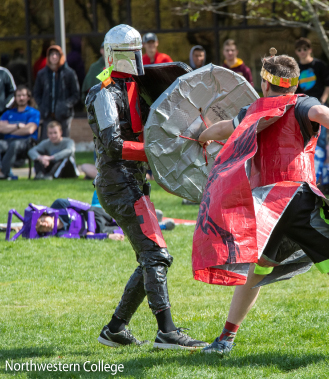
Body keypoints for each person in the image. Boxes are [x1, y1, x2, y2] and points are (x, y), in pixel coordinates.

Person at [196, 51, 329, 361]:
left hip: (267, 211)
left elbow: (219, 131)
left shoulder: (251, 112)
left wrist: (201, 136)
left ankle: (225, 340)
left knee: (254, 275)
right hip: (299, 202)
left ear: (264, 83)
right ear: (294, 85)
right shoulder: (302, 104)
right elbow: (323, 113)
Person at [86, 24, 206, 350]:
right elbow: (112, 144)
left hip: (134, 181)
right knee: (157, 254)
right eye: (133, 53)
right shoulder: (103, 91)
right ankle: (167, 332)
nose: (139, 58)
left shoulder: (135, 85)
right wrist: (155, 156)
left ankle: (114, 329)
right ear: (117, 56)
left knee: (151, 256)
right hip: (117, 182)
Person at [33, 45, 80, 140]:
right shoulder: (42, 74)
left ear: (60, 56)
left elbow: (76, 94)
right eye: (51, 54)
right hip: (47, 114)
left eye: (56, 54)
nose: (54, 57)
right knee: (46, 141)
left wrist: (65, 105)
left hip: (64, 115)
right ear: (48, 57)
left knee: (64, 141)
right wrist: (42, 106)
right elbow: (36, 93)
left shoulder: (69, 73)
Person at [35, 198, 124, 240]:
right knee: (126, 231)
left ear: (45, 214)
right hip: (99, 230)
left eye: (42, 220)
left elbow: (87, 208)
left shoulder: (59, 205)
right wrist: (108, 236)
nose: (45, 225)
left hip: (97, 214)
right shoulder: (61, 234)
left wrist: (90, 230)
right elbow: (84, 237)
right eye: (41, 228)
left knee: (124, 216)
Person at [0, 85, 40, 179]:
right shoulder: (8, 113)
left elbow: (29, 130)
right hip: (8, 142)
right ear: (15, 98)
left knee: (15, 144)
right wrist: (17, 126)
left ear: (28, 97)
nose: (21, 98)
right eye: (18, 95)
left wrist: (9, 130)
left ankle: (5, 173)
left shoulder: (33, 113)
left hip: (26, 142)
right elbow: (1, 128)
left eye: (23, 95)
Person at [295, 37, 329, 104]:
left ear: (310, 50)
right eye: (299, 50)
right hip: (302, 103)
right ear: (296, 52)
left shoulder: (320, 65)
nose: (302, 52)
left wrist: (323, 100)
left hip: (319, 102)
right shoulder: (295, 68)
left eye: (305, 49)